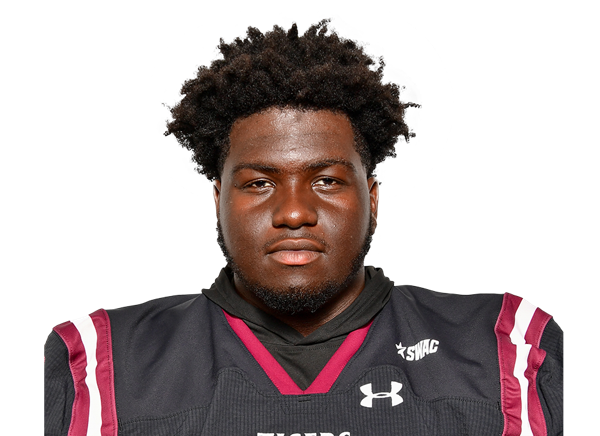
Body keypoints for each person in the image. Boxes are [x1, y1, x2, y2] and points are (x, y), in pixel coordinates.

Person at [44, 18, 564, 436]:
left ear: (372, 197)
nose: (294, 212)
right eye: (259, 183)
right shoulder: (98, 364)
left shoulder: (507, 350)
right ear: (218, 199)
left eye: (327, 181)